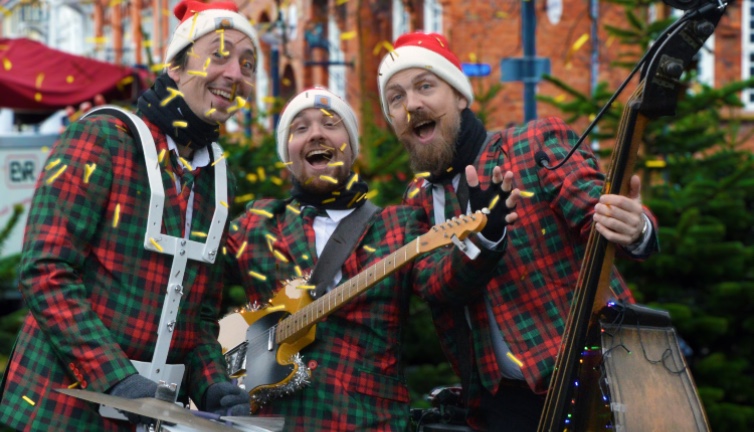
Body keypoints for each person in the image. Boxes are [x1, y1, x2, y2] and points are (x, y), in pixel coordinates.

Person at [377, 31, 660, 431]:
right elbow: (438, 287)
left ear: (459, 96)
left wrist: (634, 226)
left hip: (598, 379)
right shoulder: (417, 199)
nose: (413, 104)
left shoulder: (530, 144)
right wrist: (485, 240)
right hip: (504, 404)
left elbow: (594, 214)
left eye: (425, 86)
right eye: (396, 98)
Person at [0, 1, 260, 429]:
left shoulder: (219, 179)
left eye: (247, 64)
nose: (235, 73)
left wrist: (211, 384)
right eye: (219, 54)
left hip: (149, 419)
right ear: (176, 67)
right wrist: (115, 377)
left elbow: (197, 316)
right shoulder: (103, 137)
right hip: (58, 414)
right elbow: (46, 271)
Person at [223, 87, 520, 431]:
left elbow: (443, 285)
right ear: (287, 153)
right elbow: (192, 289)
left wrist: (486, 236)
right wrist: (219, 373)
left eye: (331, 124)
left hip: (369, 421)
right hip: (277, 422)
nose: (316, 133)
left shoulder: (399, 224)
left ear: (351, 148)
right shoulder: (257, 224)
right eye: (299, 128)